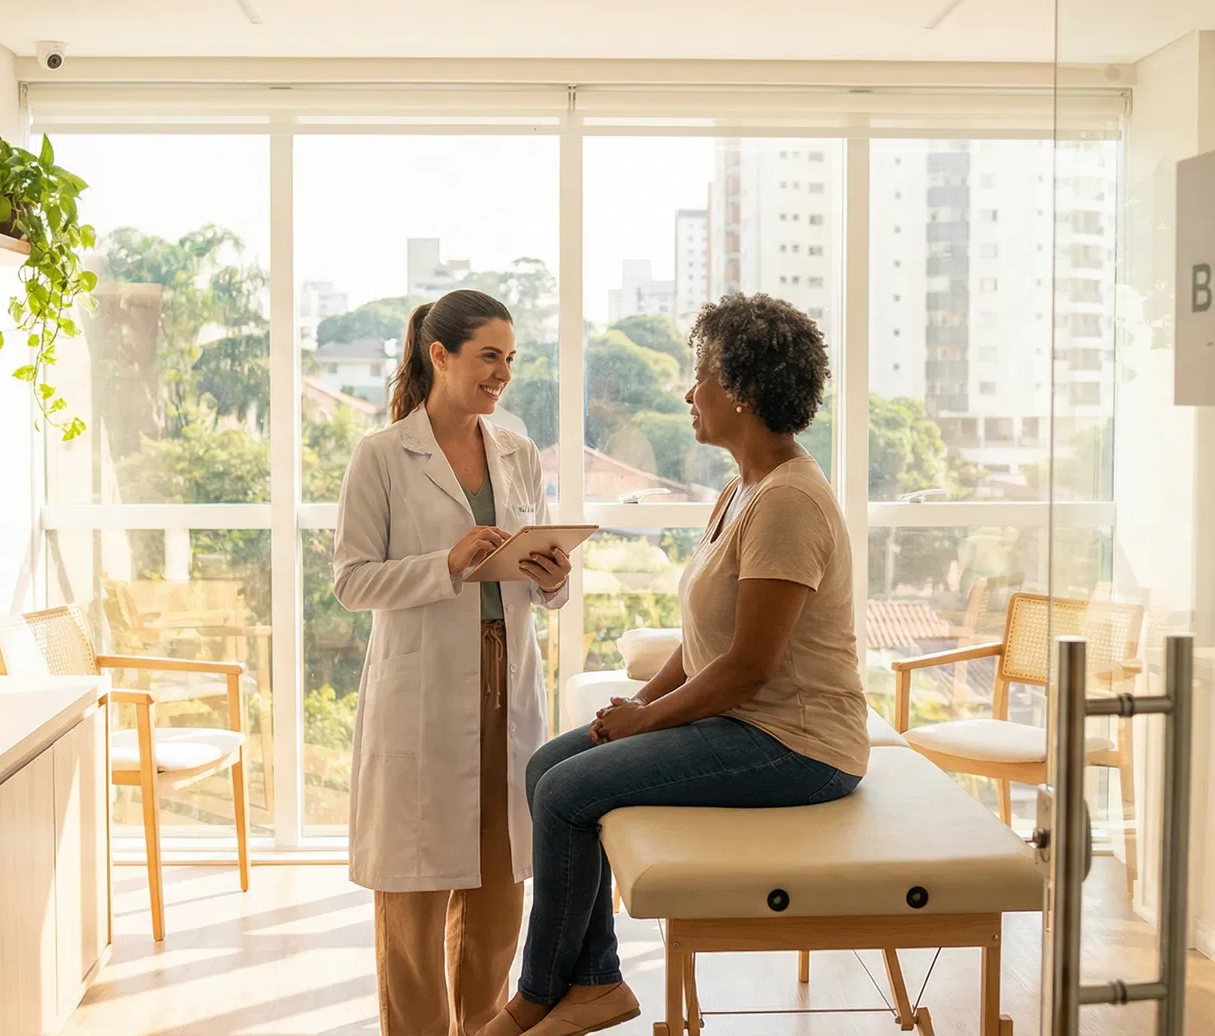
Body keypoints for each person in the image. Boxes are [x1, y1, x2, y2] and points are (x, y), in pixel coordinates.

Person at [479, 293, 869, 1036]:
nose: (690, 393)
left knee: (565, 794)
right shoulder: (740, 490)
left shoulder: (789, 503)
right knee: (547, 769)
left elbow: (749, 667)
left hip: (799, 745)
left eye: (703, 377)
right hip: (746, 723)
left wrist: (647, 720)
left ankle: (535, 997)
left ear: (745, 391)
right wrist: (633, 710)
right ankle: (594, 983)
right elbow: (703, 644)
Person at [333, 288, 573, 1036]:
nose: (502, 373)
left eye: (510, 359)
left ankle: (487, 1028)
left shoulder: (519, 452)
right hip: (424, 689)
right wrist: (447, 563)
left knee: (500, 890)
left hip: (507, 680)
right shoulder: (381, 455)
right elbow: (351, 580)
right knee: (413, 896)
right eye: (488, 356)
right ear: (440, 356)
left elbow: (544, 587)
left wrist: (555, 577)